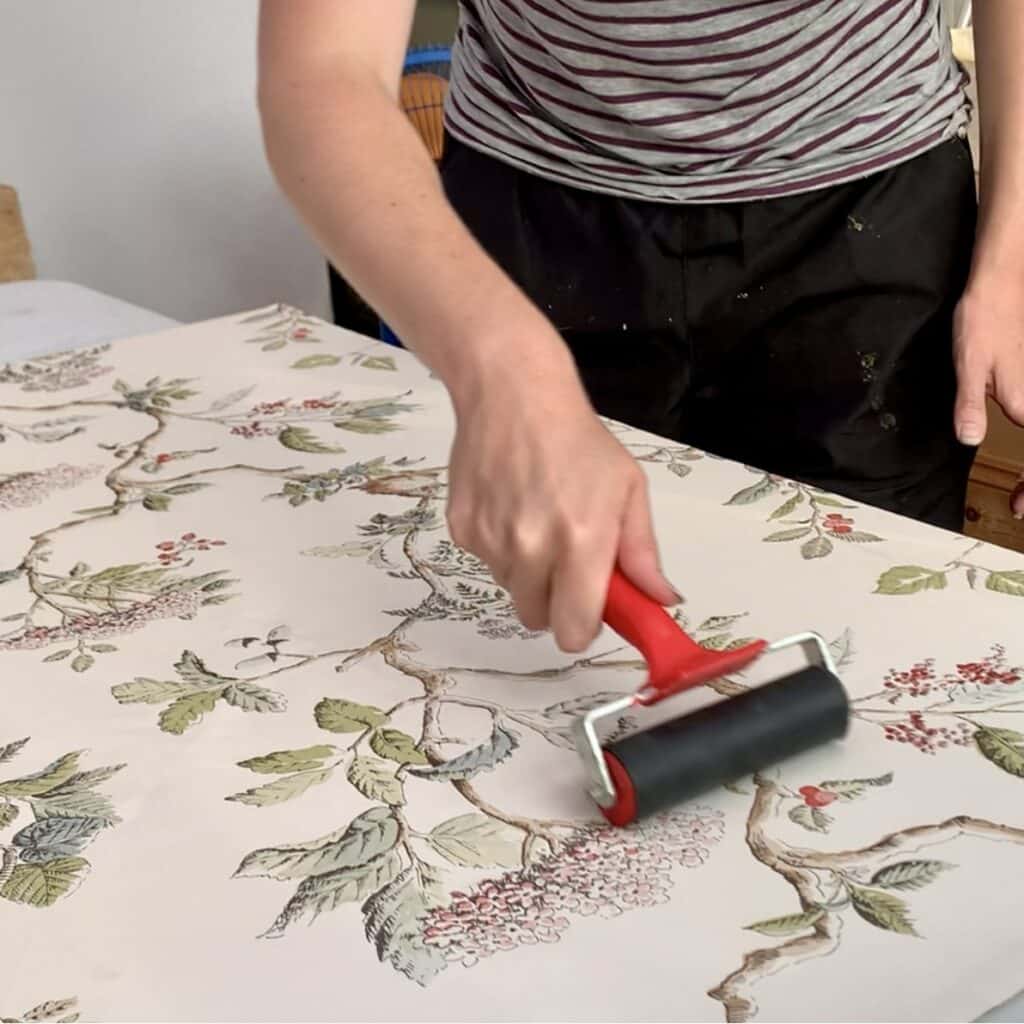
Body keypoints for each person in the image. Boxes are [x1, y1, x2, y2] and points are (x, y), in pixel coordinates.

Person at [257, 1, 1024, 654]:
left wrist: (1014, 254)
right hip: (534, 216)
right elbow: (322, 72)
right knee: (532, 641)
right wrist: (503, 366)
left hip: (866, 214)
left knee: (876, 632)